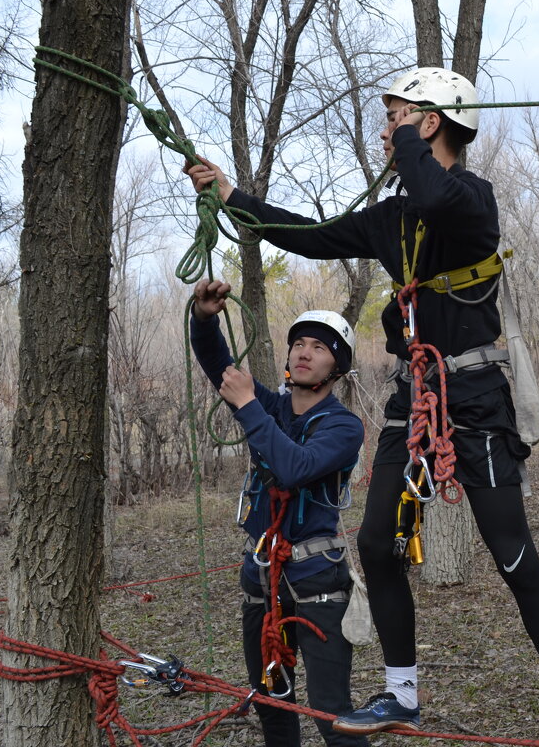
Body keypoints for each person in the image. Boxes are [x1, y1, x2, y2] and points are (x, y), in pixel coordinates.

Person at [185, 67, 539, 747]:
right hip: (414, 400)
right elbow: (309, 235)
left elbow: (435, 193)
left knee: (513, 556)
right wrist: (232, 194)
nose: (384, 131)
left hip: (475, 398)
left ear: (430, 124)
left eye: (396, 118)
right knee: (377, 543)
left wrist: (411, 134)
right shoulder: (392, 218)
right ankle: (402, 695)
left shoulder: (471, 201)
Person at [189, 278, 367, 747]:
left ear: (337, 366)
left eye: (319, 347)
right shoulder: (272, 408)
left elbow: (295, 468)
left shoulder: (345, 427)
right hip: (261, 582)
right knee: (271, 704)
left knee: (332, 714)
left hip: (317, 586)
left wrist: (249, 405)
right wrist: (205, 319)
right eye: (298, 345)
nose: (304, 353)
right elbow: (220, 369)